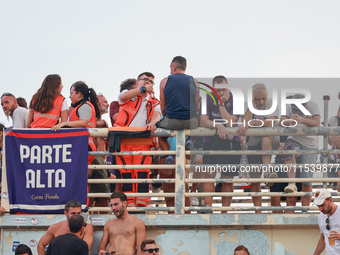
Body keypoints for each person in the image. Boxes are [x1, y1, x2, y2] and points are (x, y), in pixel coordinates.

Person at [114, 74, 161, 207]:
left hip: (143, 140)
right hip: (125, 140)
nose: (148, 83)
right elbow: (122, 98)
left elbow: (157, 116)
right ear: (137, 82)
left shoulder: (154, 101)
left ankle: (141, 205)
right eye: (145, 80)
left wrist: (153, 123)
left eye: (151, 82)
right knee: (126, 172)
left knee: (142, 172)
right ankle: (129, 204)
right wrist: (143, 90)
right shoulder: (128, 94)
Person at [236, 83, 280, 212]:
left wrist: (252, 124)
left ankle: (266, 172)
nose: (261, 102)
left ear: (267, 95)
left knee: (266, 138)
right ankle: (258, 211)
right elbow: (244, 123)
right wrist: (251, 105)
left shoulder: (272, 103)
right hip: (253, 144)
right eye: (258, 99)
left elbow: (270, 122)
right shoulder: (247, 105)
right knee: (255, 180)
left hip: (270, 141)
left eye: (263, 98)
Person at [199, 75, 241, 211]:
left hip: (231, 141)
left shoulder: (236, 99)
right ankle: (208, 208)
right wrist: (218, 126)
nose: (221, 93)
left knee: (227, 177)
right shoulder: (207, 98)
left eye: (223, 89)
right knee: (209, 174)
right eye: (218, 90)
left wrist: (221, 104)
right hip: (211, 140)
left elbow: (230, 122)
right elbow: (203, 120)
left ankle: (225, 212)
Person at [279, 94, 320, 208]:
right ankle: (292, 183)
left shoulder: (313, 105)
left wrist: (302, 120)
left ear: (306, 104)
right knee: (289, 151)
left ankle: (304, 210)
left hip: (310, 142)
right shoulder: (288, 106)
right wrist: (290, 121)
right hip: (294, 138)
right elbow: (281, 122)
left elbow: (316, 122)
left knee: (306, 178)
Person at [52, 81, 101, 166]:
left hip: (84, 145)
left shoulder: (85, 106)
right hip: (83, 144)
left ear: (79, 94)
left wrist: (64, 123)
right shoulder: (81, 107)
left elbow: (83, 122)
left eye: (71, 93)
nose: (69, 96)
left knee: (81, 175)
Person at [89, 93, 112, 212]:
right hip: (90, 161)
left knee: (102, 194)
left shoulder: (103, 123)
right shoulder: (89, 119)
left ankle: (100, 220)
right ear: (96, 103)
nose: (107, 104)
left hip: (102, 164)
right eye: (104, 102)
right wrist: (102, 124)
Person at [313, 189, 340, 255]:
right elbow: (323, 238)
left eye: (322, 205)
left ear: (330, 200)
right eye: (318, 206)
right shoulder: (321, 216)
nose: (320, 209)